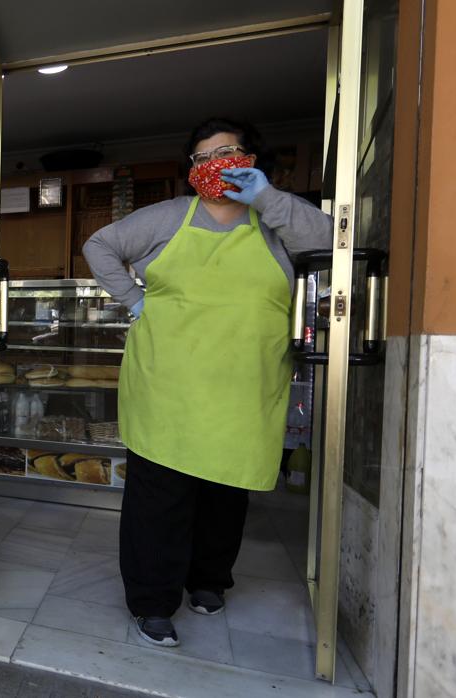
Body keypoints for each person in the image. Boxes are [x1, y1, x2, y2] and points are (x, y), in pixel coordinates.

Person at [83, 118, 331, 647]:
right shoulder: (167, 217)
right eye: (202, 158)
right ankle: (152, 601)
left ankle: (210, 580)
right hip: (167, 384)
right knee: (160, 498)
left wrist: (269, 199)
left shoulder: (276, 221)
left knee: (226, 492)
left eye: (229, 152)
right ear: (191, 171)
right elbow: (99, 245)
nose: (215, 163)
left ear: (252, 159)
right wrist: (135, 300)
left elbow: (331, 243)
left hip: (246, 386)